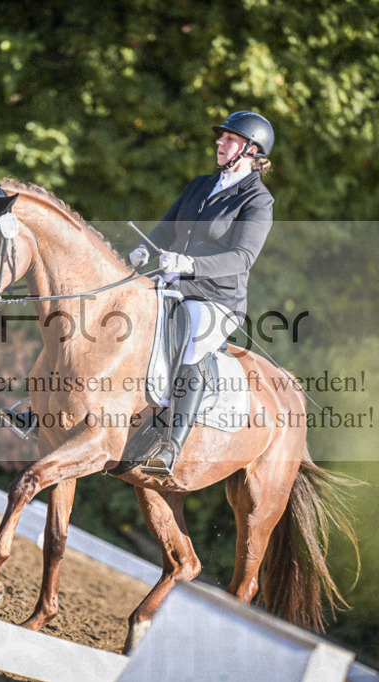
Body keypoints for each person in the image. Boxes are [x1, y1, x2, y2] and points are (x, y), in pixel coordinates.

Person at [129, 110, 275, 477]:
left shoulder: (258, 201)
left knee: (193, 341)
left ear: (251, 149)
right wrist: (145, 249)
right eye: (221, 137)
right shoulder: (199, 185)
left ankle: (171, 446)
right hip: (172, 286)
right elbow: (165, 230)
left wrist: (190, 265)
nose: (219, 142)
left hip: (216, 299)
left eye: (228, 139)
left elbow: (242, 258)